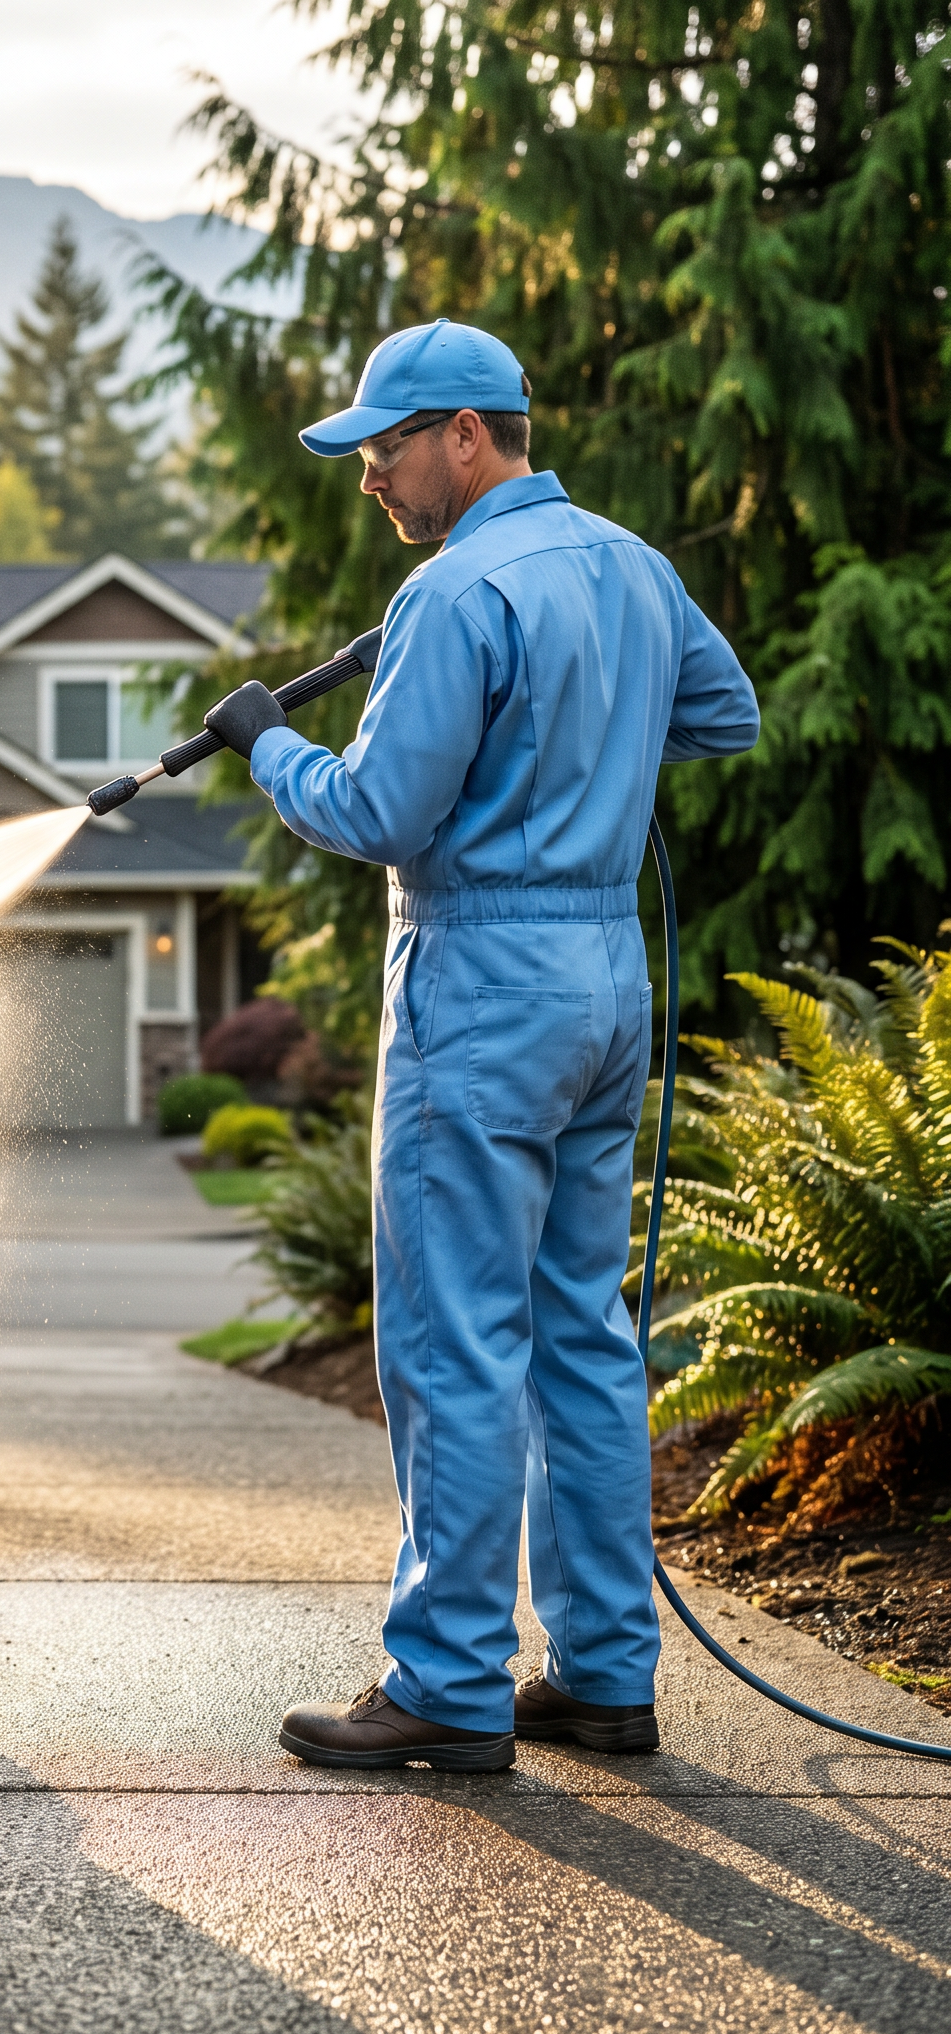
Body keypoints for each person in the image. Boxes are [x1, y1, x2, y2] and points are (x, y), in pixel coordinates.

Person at [202, 319, 761, 1769]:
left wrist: (272, 744)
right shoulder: (634, 566)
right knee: (580, 1332)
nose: (372, 480)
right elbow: (724, 713)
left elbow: (377, 812)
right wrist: (588, 750)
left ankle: (449, 1685)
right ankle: (604, 1676)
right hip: (606, 979)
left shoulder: (455, 596)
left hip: (484, 979)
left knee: (456, 1340)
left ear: (466, 434)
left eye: (384, 450)